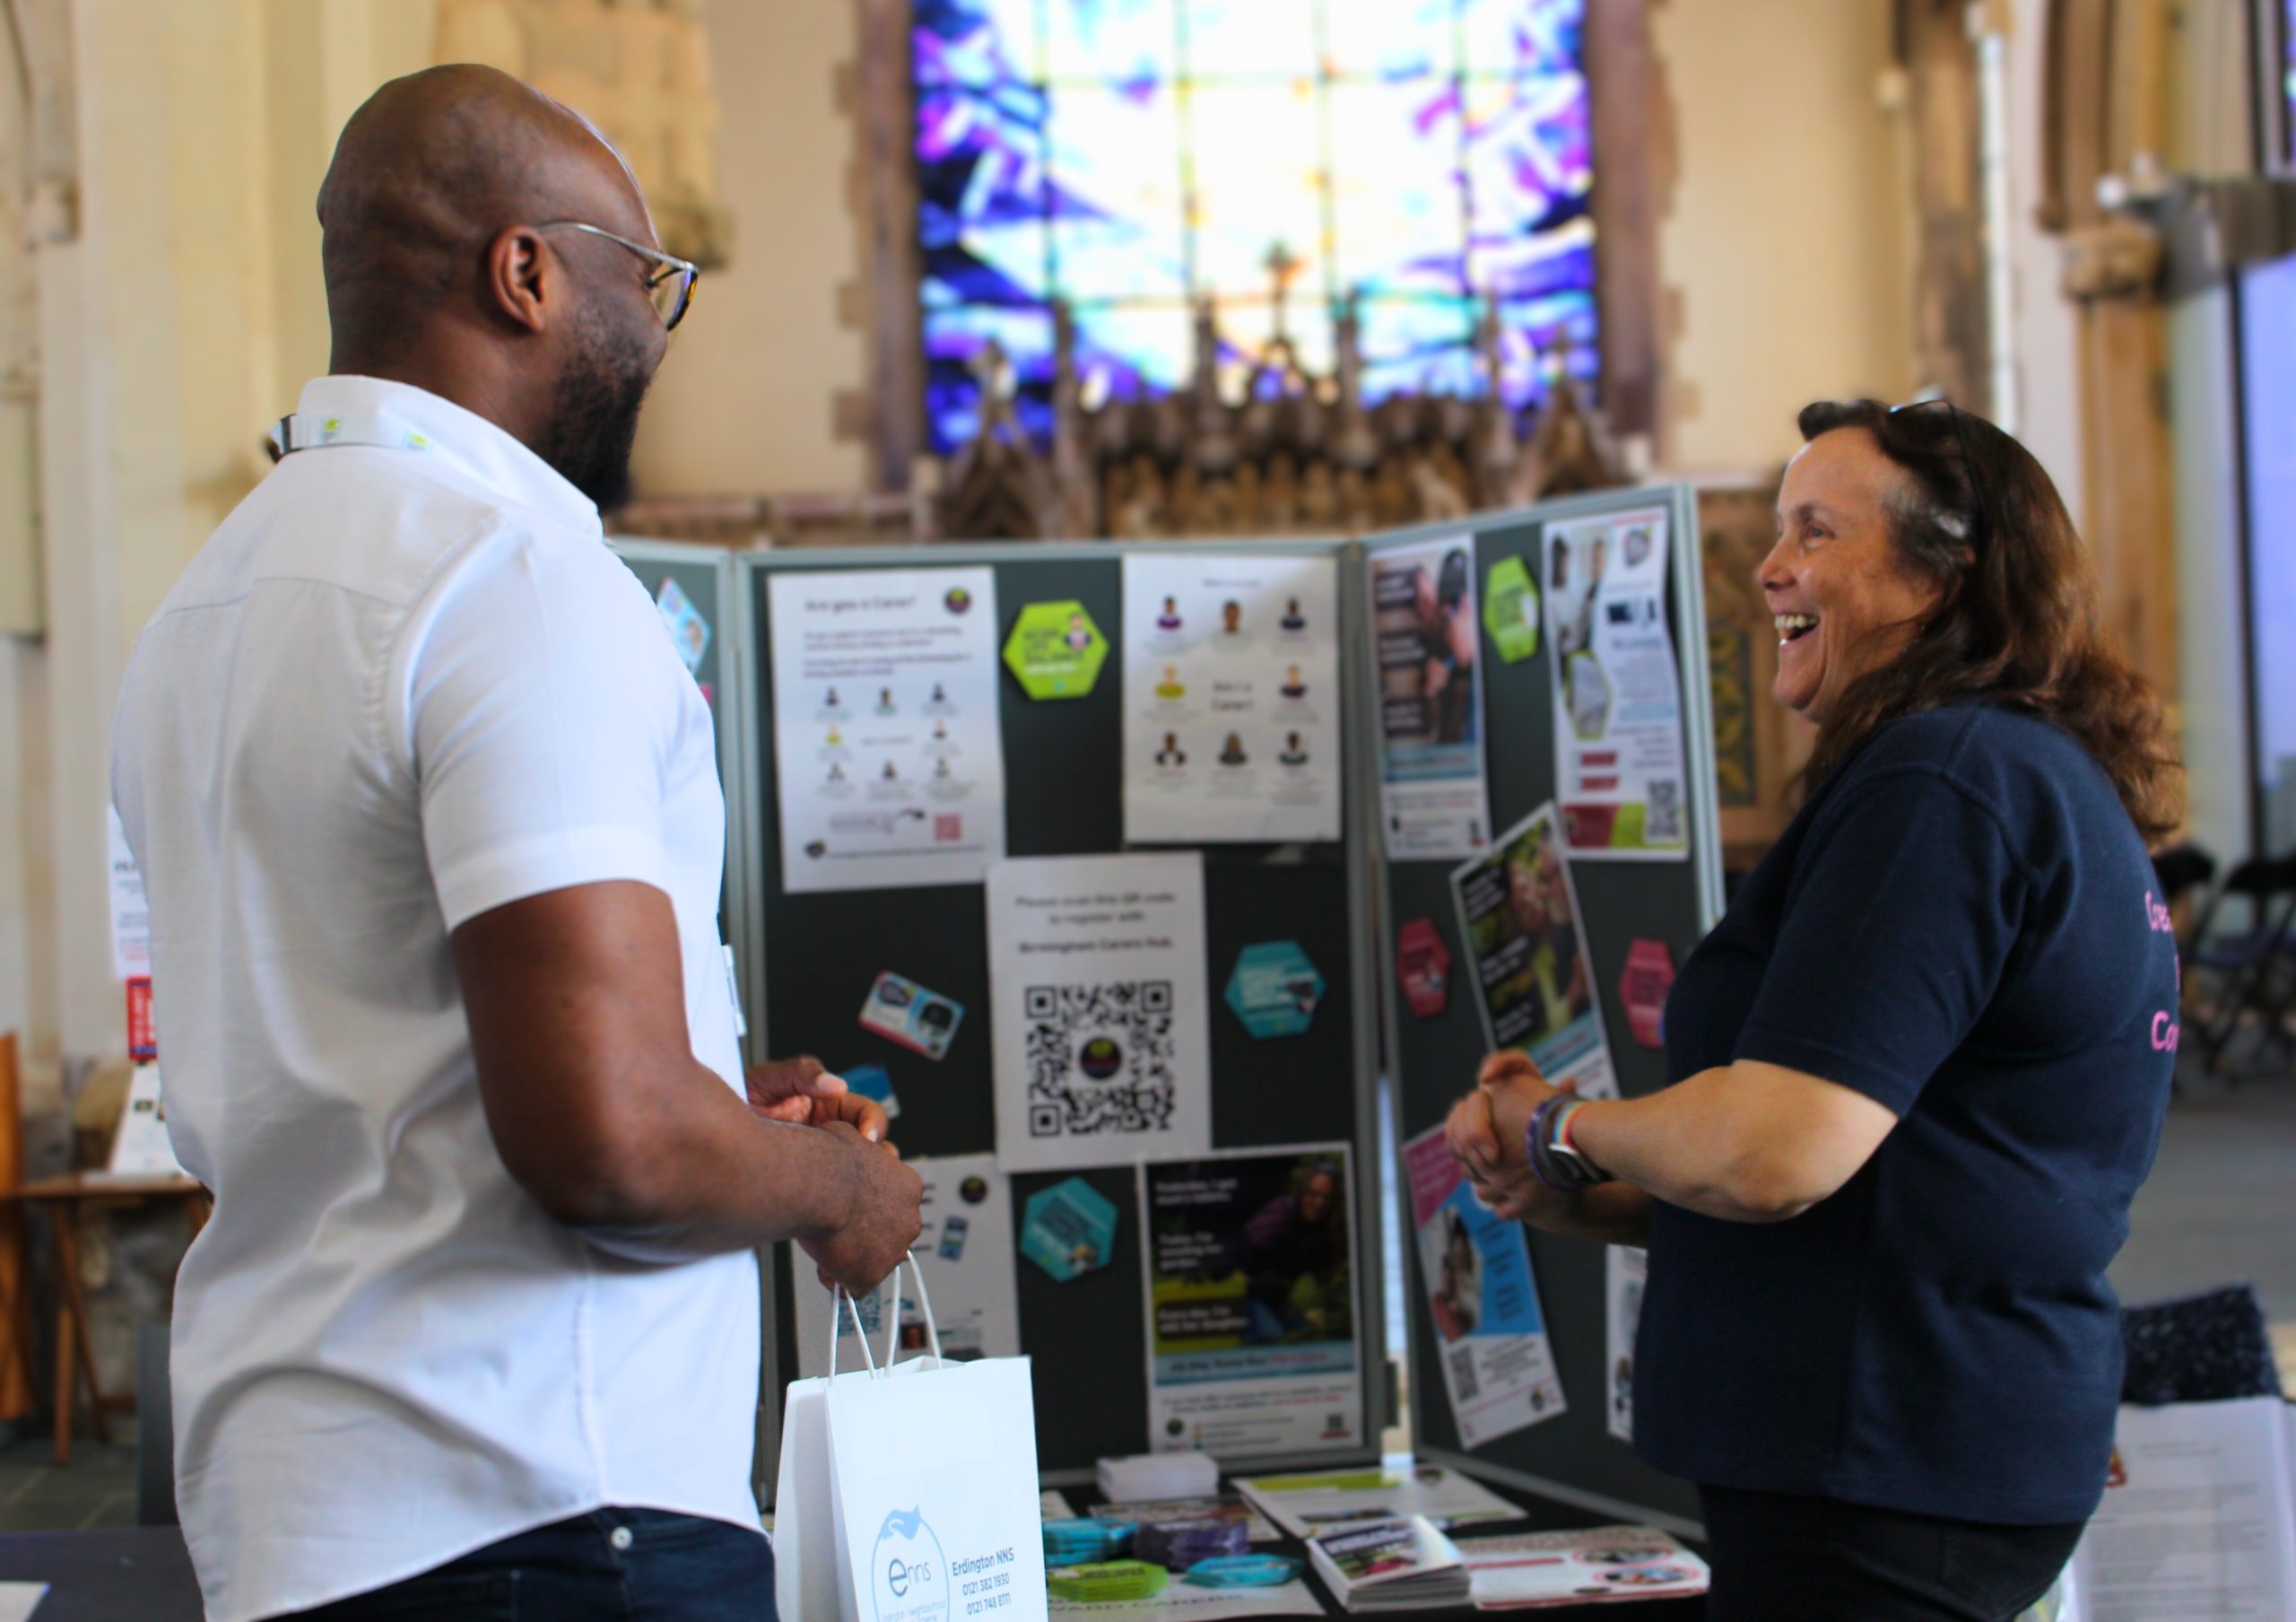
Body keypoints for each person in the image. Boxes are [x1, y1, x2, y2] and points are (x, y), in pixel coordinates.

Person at [109, 66, 924, 1622]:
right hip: (546, 1520)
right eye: (648, 282)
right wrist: (834, 1189)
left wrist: (692, 1071)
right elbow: (609, 1148)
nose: (656, 335)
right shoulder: (512, 579)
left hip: (298, 1527)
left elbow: (376, 1062)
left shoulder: (206, 606)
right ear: (526, 272)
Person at [1446, 398, 2180, 1622]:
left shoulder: (1942, 783)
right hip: (1925, 1441)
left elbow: (1776, 1155)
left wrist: (1559, 1128)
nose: (1769, 567)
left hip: (1885, 1464)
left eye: (1816, 533)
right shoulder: (2024, 770)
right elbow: (1907, 1181)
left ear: (1944, 578)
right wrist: (1570, 1190)